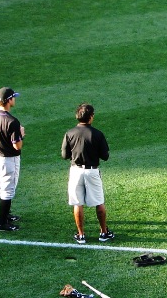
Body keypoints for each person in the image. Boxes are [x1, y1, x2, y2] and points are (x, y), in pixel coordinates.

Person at [61, 103, 114, 243]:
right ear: (91, 117)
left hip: (75, 171)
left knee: (77, 203)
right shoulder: (97, 134)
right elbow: (105, 156)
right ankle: (103, 232)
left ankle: (81, 235)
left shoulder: (69, 133)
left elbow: (64, 155)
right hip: (92, 171)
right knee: (99, 202)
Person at [0, 87, 25, 231]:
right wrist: (21, 134)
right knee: (7, 190)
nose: (15, 99)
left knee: (5, 186)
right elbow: (17, 146)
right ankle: (2, 223)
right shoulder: (12, 121)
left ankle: (6, 215)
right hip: (7, 159)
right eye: (14, 97)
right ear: (8, 101)